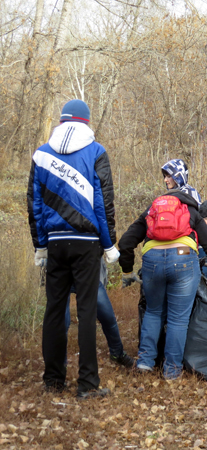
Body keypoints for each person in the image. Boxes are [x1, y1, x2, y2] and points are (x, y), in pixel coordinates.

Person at [27, 99, 119, 399]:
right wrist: (109, 243)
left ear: (62, 120)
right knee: (87, 310)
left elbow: (35, 204)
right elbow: (102, 204)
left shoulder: (41, 154)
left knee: (54, 311)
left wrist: (40, 245)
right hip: (87, 244)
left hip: (55, 243)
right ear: (87, 122)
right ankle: (87, 385)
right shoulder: (96, 152)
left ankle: (53, 381)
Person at [118, 160, 207, 380]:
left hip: (152, 262)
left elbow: (127, 241)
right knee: (178, 319)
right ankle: (172, 370)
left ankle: (145, 362)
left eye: (169, 176)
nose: (166, 180)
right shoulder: (191, 208)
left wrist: (127, 270)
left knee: (154, 312)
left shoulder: (153, 207)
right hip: (184, 262)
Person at [65, 259, 134, 368]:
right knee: (62, 322)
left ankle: (117, 354)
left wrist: (99, 250)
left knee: (108, 316)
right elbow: (38, 241)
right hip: (62, 269)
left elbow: (109, 242)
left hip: (88, 268)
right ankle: (59, 363)